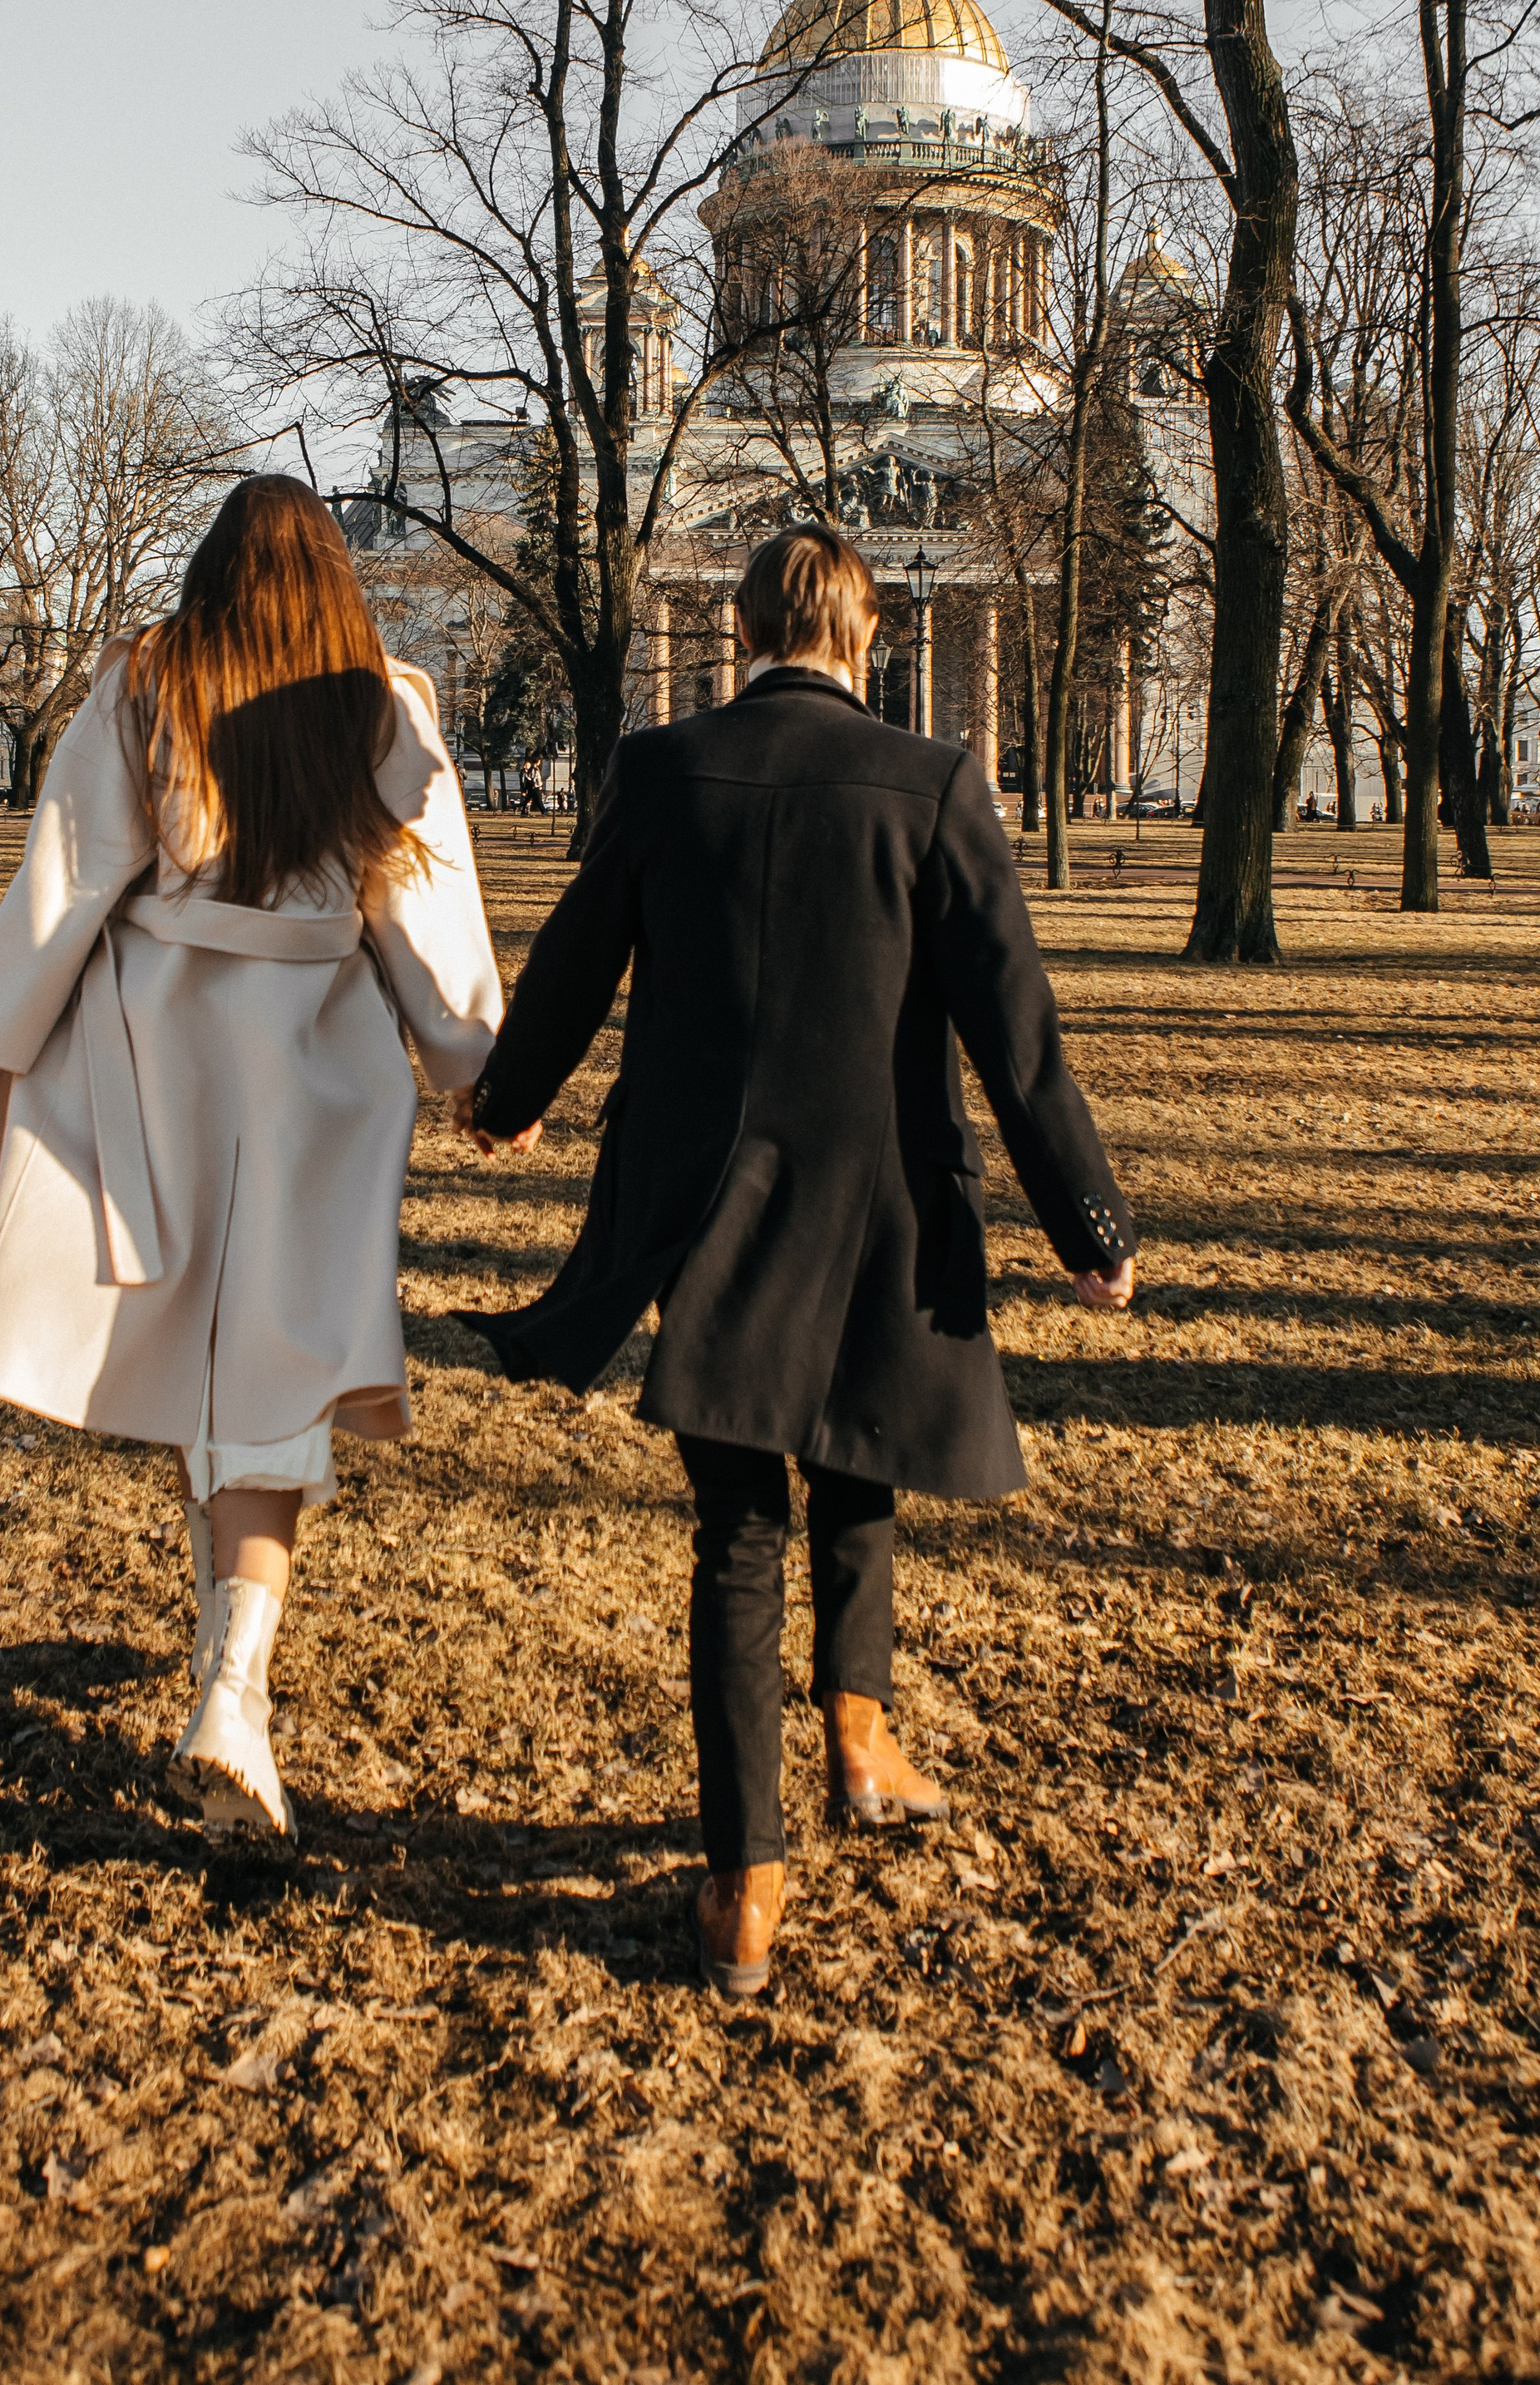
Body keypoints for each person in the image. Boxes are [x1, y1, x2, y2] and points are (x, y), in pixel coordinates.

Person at [455, 524, 1133, 1997]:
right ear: (867, 637)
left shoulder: (663, 769)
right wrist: (1090, 1223)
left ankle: (746, 1882)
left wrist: (505, 1103)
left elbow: (576, 963)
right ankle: (859, 1738)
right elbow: (1016, 1031)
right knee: (859, 1457)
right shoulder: (935, 784)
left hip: (709, 1202)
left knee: (738, 1530)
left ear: (746, 631)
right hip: (887, 1193)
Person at [0, 477, 501, 1836]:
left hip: (155, 1054)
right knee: (267, 1371)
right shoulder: (383, 702)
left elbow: (67, 877)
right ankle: (234, 1685)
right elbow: (428, 907)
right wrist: (477, 1067)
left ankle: (228, 1681)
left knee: (207, 1362)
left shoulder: (151, 679)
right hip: (314, 1073)